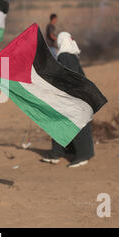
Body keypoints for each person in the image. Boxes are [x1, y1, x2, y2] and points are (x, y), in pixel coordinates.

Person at [41, 32, 95, 168]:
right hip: (74, 96)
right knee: (60, 123)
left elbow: (68, 78)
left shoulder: (65, 56)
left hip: (74, 98)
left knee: (76, 126)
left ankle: (83, 155)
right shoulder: (70, 56)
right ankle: (57, 153)